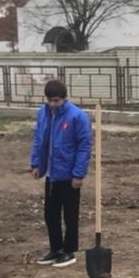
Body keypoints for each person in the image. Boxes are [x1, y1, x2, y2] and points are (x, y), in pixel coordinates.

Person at [29, 80, 91, 268]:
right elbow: (39, 139)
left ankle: (69, 250)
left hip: (69, 174)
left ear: (64, 98)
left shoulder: (77, 117)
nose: (53, 104)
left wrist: (78, 174)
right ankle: (55, 249)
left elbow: (83, 147)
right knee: (50, 214)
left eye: (56, 101)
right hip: (51, 174)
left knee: (70, 215)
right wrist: (36, 163)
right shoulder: (44, 113)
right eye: (50, 101)